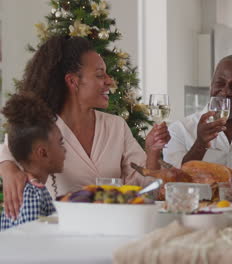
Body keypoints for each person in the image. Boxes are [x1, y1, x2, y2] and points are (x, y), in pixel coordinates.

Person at [0, 36, 170, 219]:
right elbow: (8, 149)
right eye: (99, 75)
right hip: (57, 231)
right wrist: (9, 170)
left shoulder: (116, 126)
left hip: (112, 227)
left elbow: (144, 189)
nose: (109, 81)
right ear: (73, 81)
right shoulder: (42, 128)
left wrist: (152, 152)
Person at [164, 55, 232, 189]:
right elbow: (173, 184)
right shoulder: (179, 130)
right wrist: (200, 144)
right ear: (211, 84)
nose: (226, 92)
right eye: (220, 83)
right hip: (199, 209)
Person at [1, 93, 66, 230]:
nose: (65, 150)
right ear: (42, 153)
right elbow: (30, 244)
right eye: (60, 143)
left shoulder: (33, 190)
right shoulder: (33, 196)